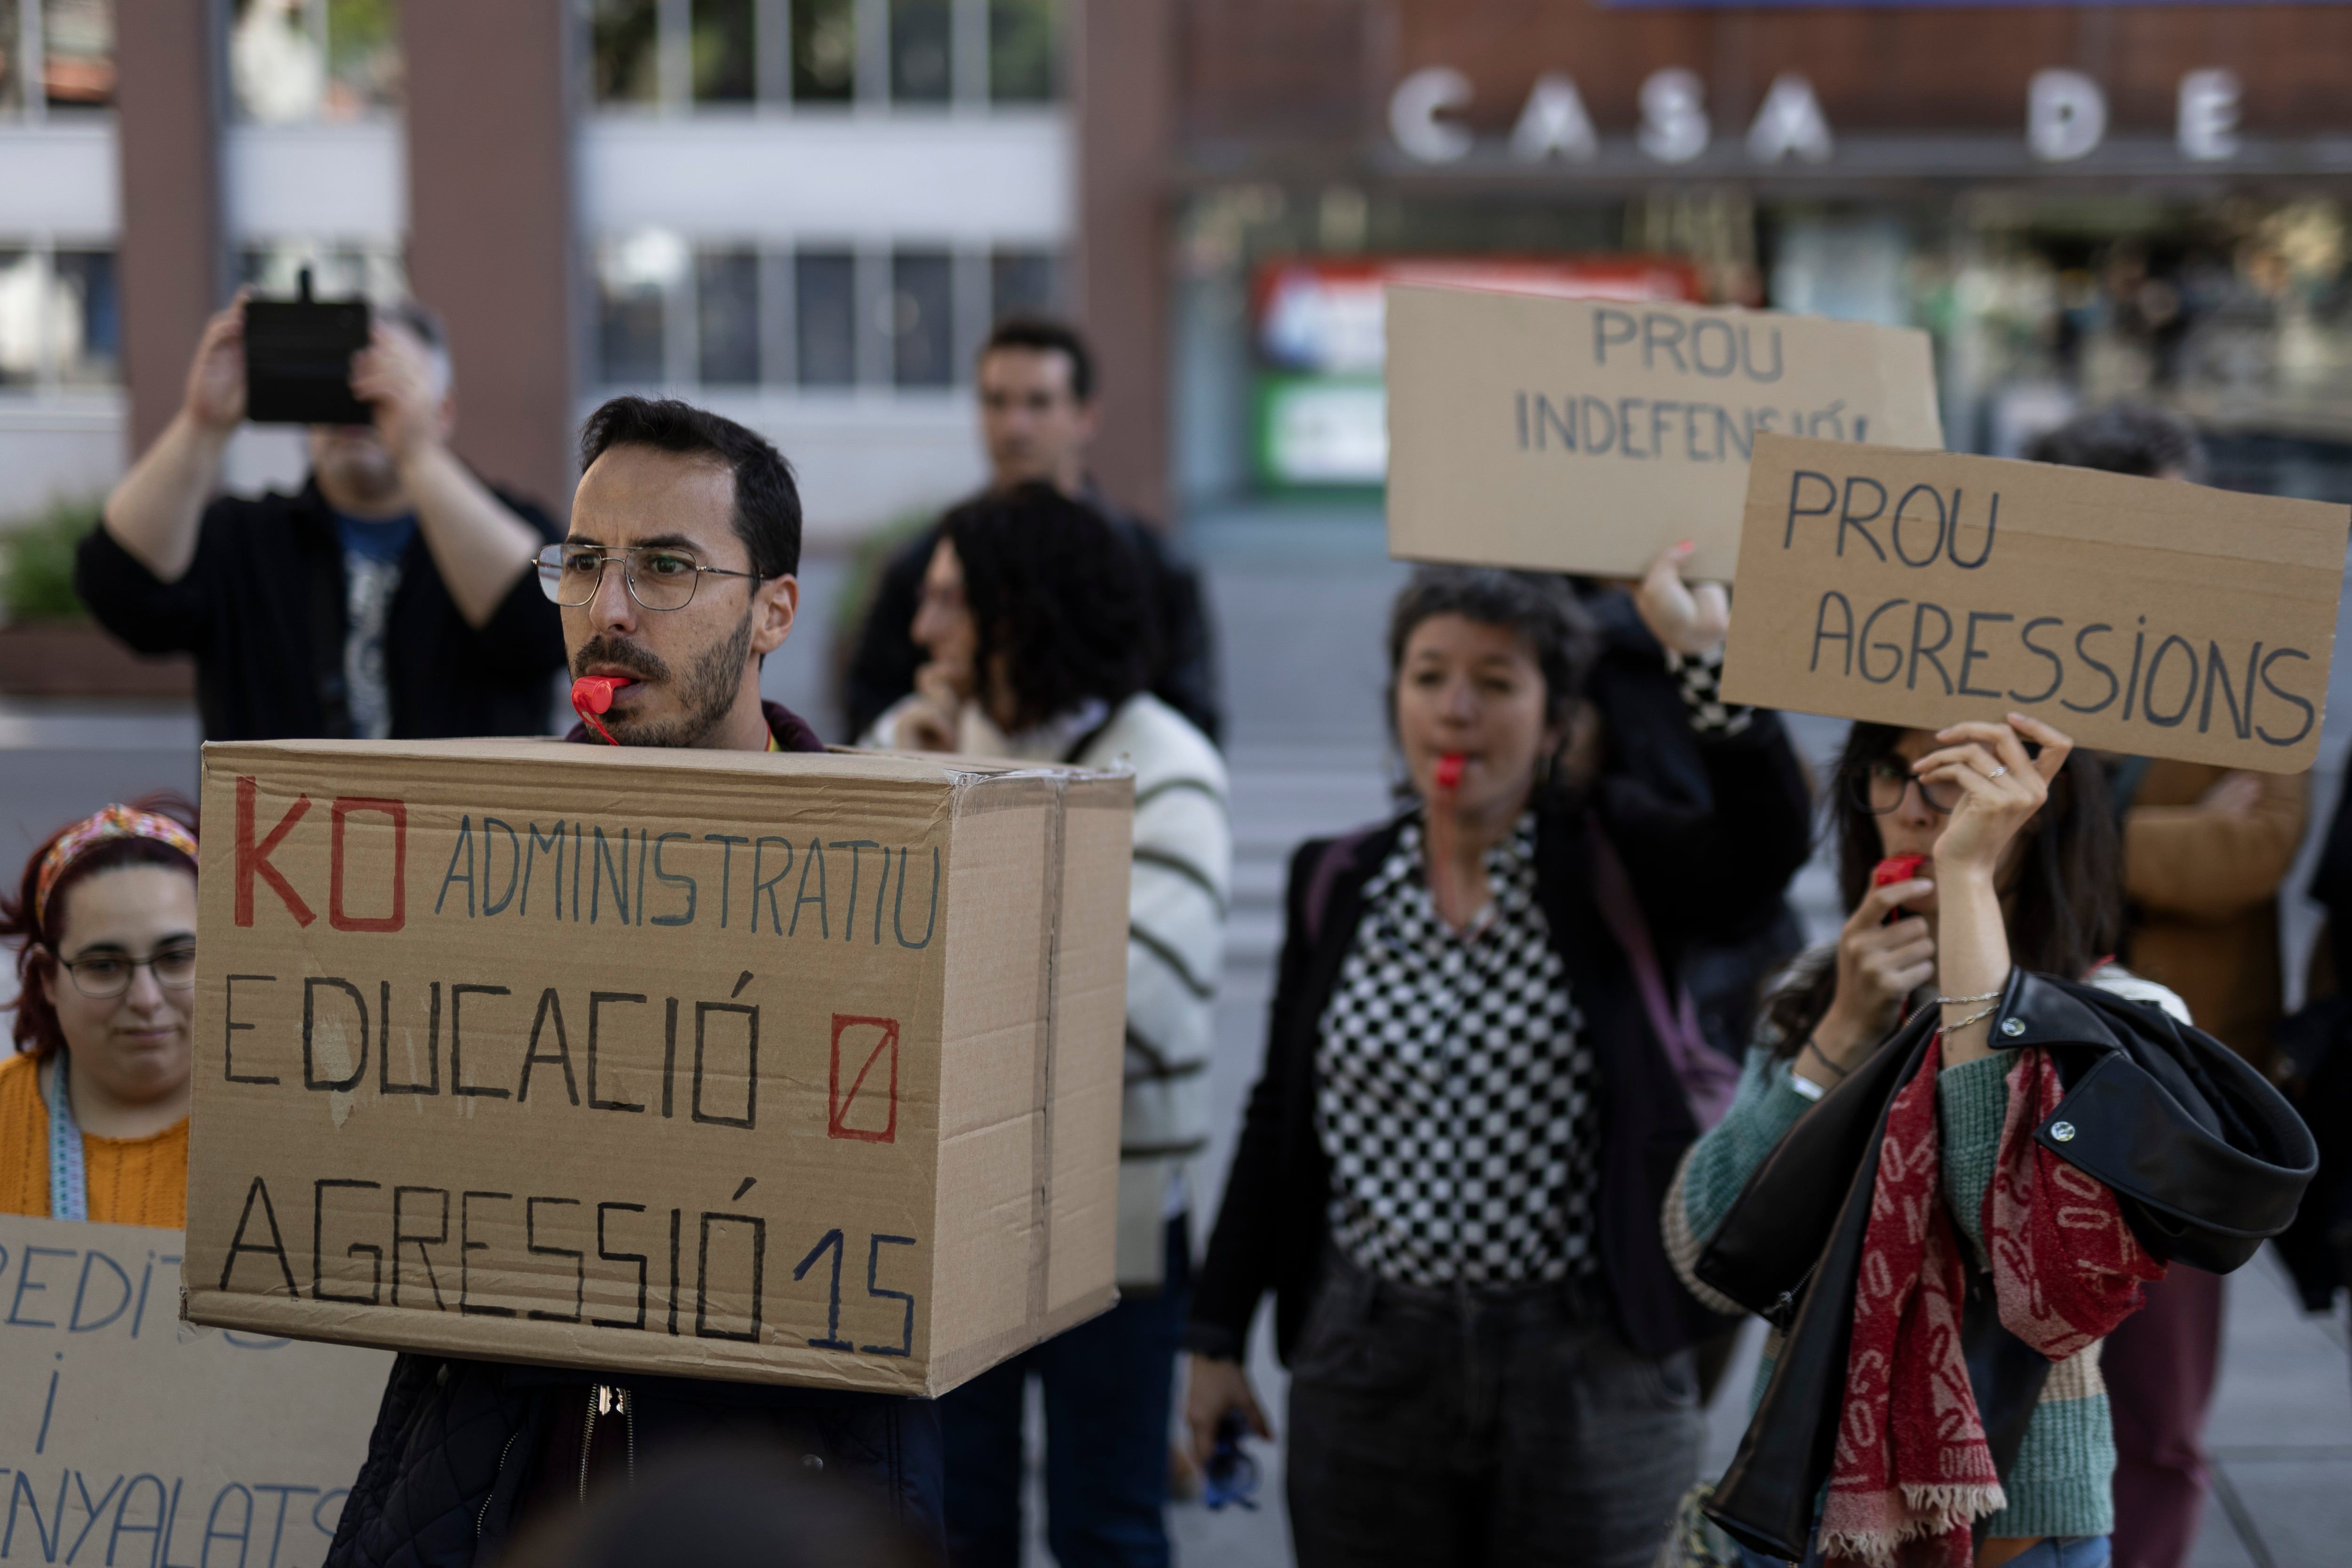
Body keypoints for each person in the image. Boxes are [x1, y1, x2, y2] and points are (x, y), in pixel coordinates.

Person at [326, 398, 934, 1568]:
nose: (607, 611)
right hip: (487, 1470)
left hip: (776, 1485)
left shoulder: (894, 882)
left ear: (774, 611)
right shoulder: (467, 858)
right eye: (584, 564)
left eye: (663, 569)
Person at [1184, 554, 1813, 1568]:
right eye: (1429, 676)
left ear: (1557, 716)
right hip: (1367, 1365)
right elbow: (1277, 1116)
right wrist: (1215, 1336)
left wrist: (1699, 656)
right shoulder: (1336, 878)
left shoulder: (1616, 860)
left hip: (1586, 1370)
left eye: (1497, 680)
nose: (1457, 709)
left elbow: (1765, 840)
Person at [1666, 714, 2180, 1568]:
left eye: (1954, 774)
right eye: (1886, 771)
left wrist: (1968, 881)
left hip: (2017, 1528)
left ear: (2036, 802)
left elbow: (2012, 1245)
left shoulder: (2130, 1019)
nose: (1911, 808)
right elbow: (1702, 1252)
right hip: (1799, 1506)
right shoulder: (1815, 989)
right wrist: (1839, 1030)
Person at [866, 484, 1230, 1568]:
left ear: (1024, 611)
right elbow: (849, 962)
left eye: (950, 603)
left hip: (1109, 1220)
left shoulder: (1167, 767)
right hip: (954, 1209)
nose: (920, 631)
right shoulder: (914, 737)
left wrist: (959, 853)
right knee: (950, 1523)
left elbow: (1141, 1005)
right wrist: (906, 778)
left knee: (1108, 1530)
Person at [2027, 404, 2302, 1568]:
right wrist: (2160, 833)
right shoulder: (2006, 646)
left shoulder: (2251, 649)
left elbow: (2251, 851)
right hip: (2025, 1062)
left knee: (2159, 1413)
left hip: (2186, 1090)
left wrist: (2064, 838)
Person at [78, 293, 566, 740]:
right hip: (276, 834)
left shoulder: (512, 529)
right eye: (337, 379)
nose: (357, 402)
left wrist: (415, 452)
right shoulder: (247, 540)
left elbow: (544, 628)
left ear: (443, 410)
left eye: (386, 382)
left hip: (459, 835)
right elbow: (119, 588)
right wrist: (202, 424)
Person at [841, 316, 1221, 746]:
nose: (1014, 427)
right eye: (996, 402)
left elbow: (1194, 722)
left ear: (1087, 416)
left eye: (1039, 403)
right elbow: (865, 712)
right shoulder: (924, 563)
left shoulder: (1155, 568)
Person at [0, 798, 201, 1226]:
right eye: (105, 966)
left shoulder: (291, 1126)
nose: (146, 999)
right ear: (48, 977)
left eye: (178, 957)